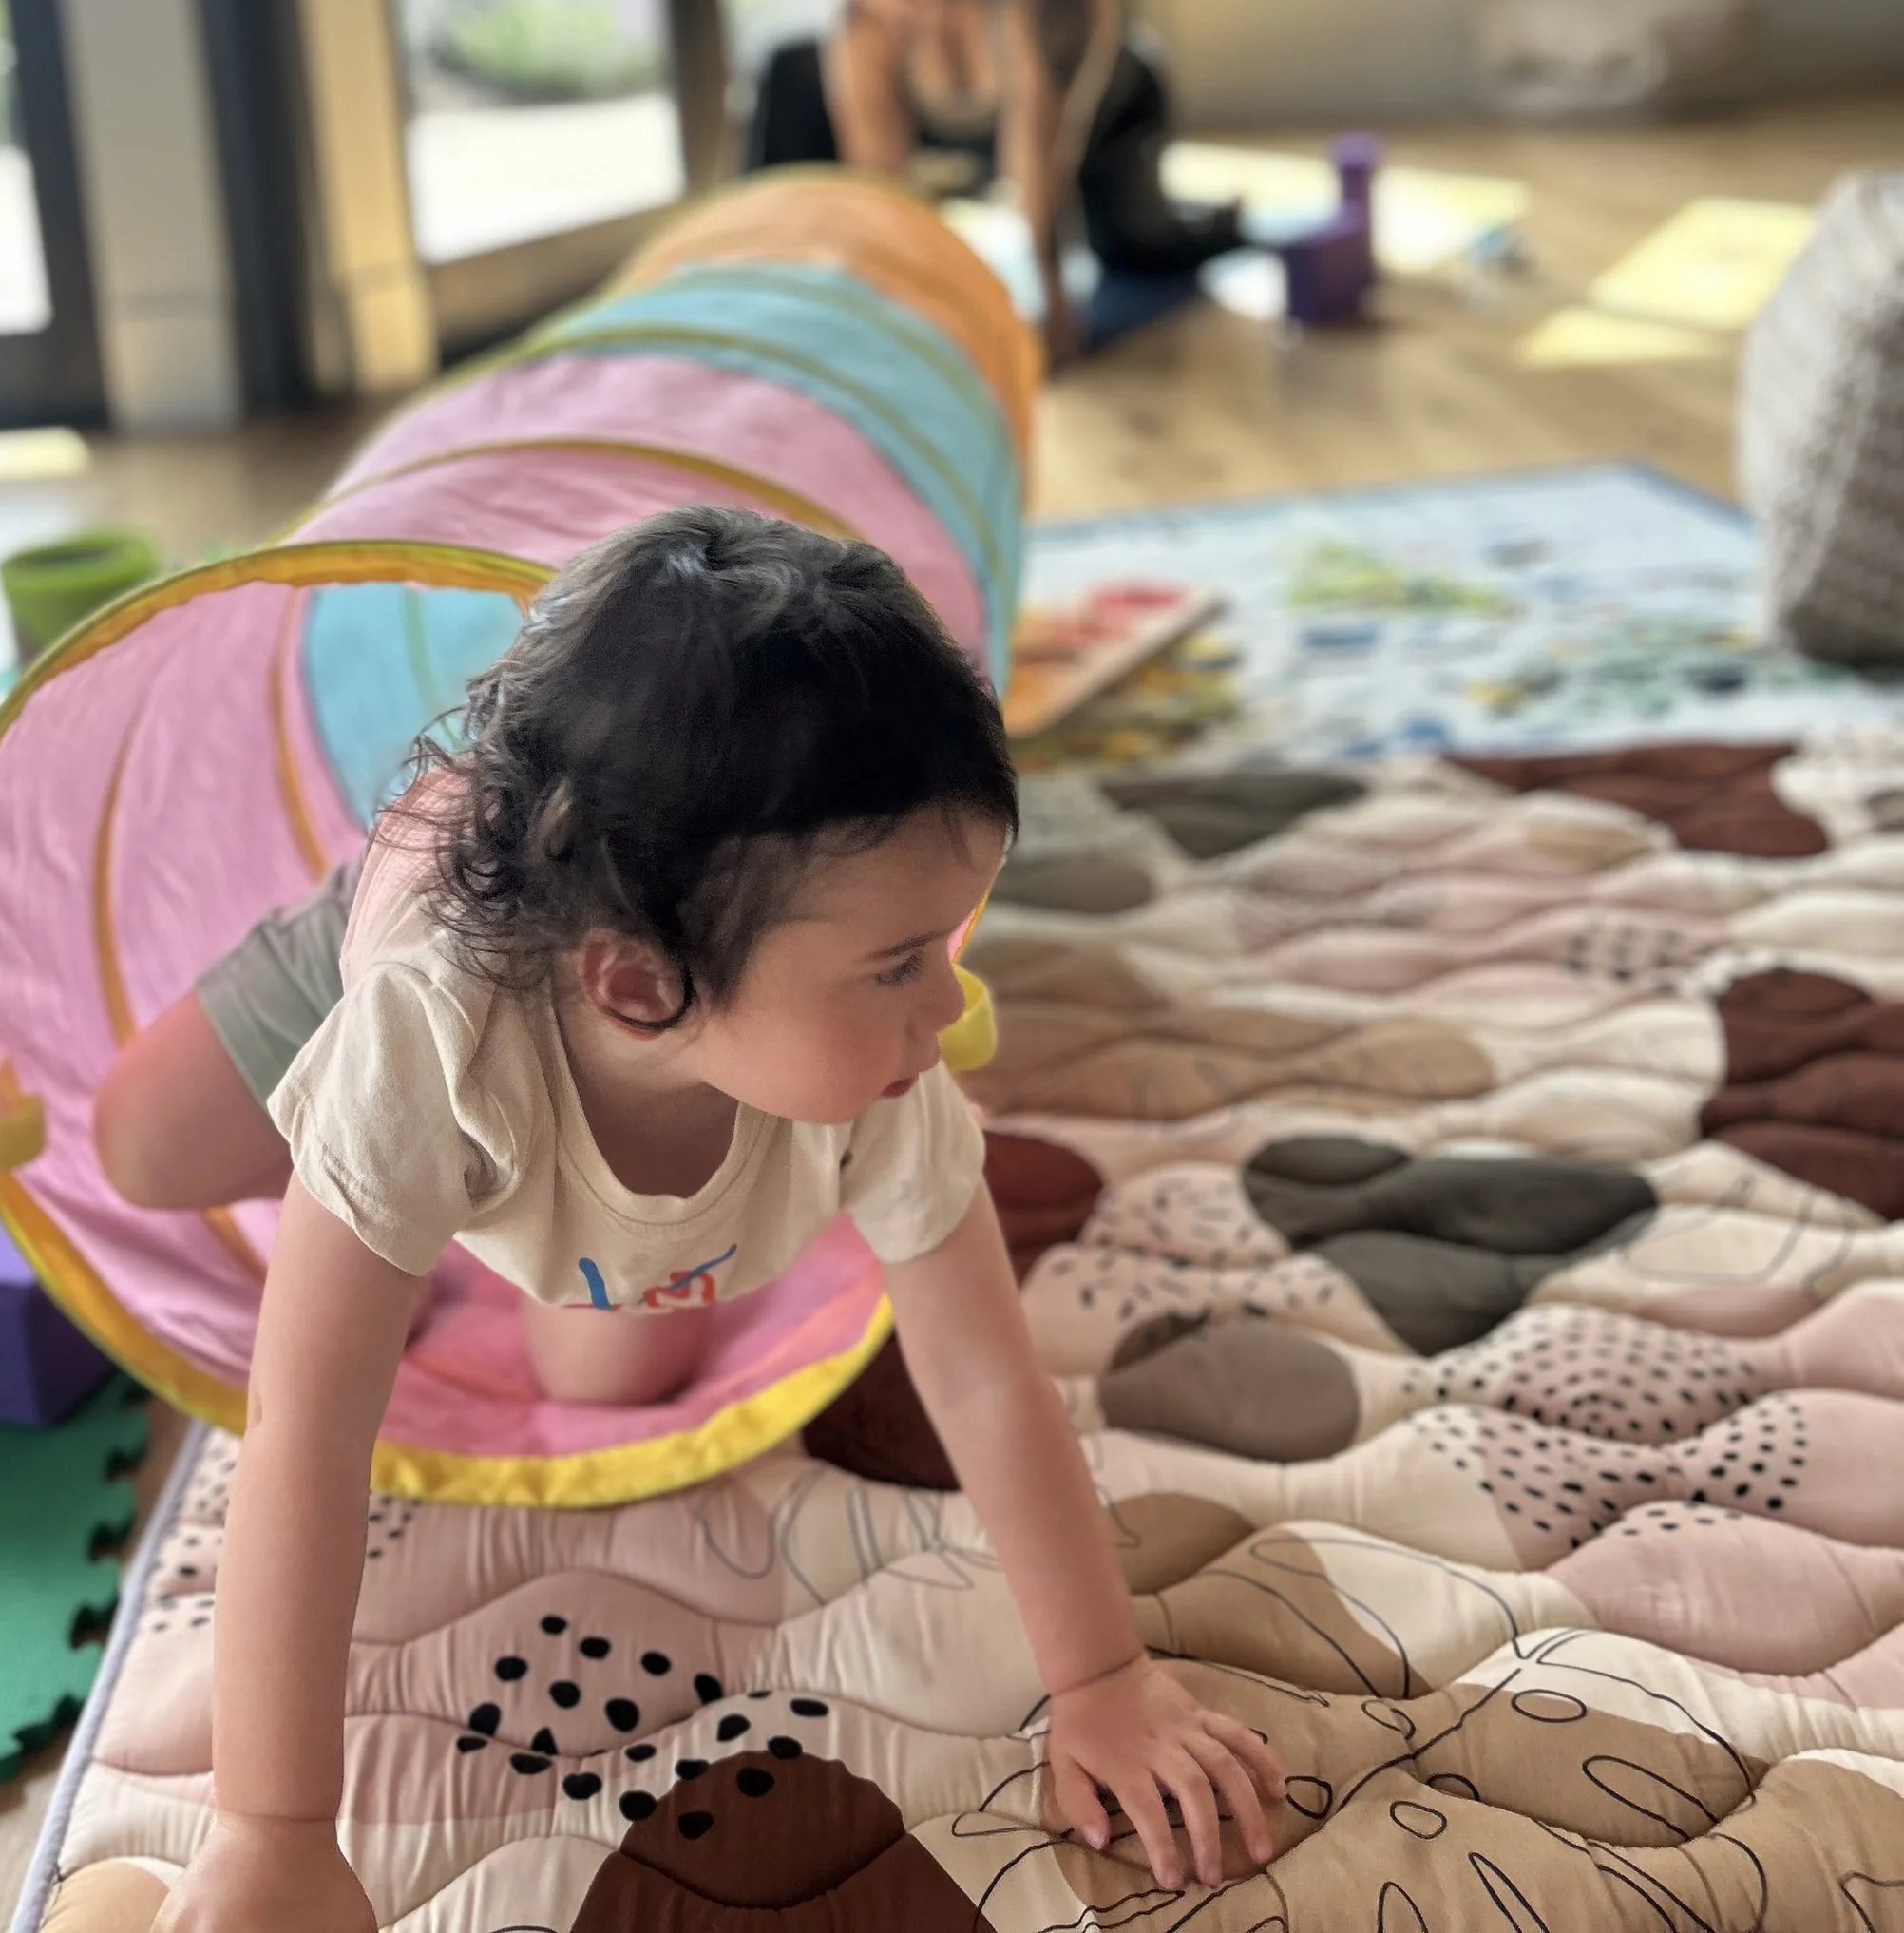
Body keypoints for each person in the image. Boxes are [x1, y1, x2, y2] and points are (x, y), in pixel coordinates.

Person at [105, 510, 1284, 1929]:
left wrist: (1100, 1678)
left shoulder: (868, 1068)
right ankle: (391, 1211)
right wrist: (272, 1828)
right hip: (414, 934)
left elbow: (982, 1370)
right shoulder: (421, 1040)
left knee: (615, 1369)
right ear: (640, 984)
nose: (953, 1008)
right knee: (141, 1145)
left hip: (593, 1034)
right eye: (902, 963)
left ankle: (445, 1216)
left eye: (945, 943)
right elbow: (306, 1432)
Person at [747, 0, 1241, 365]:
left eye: (915, 0)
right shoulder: (872, 7)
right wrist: (898, 310)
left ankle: (1225, 220)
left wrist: (1052, 304)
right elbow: (879, 171)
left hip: (1104, 119)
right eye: (888, 1)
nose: (899, 18)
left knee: (1138, 255)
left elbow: (1042, 144)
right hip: (967, 134)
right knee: (789, 69)